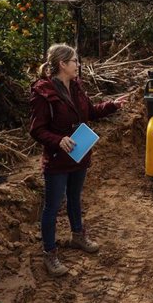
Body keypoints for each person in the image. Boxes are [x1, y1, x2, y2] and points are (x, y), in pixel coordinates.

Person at [30, 43, 128, 277]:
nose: (78, 65)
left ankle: (77, 236)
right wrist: (58, 140)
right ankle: (50, 253)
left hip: (80, 154)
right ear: (62, 64)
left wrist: (112, 106)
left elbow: (90, 112)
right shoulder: (43, 92)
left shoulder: (76, 86)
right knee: (52, 207)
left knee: (75, 197)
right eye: (74, 61)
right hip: (57, 159)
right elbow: (36, 129)